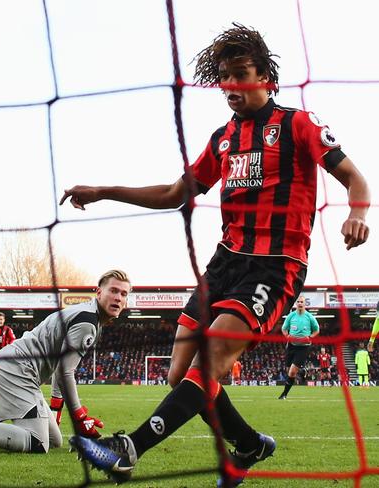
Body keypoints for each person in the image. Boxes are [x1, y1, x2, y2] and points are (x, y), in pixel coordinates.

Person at [60, 23, 370, 486]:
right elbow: (173, 192)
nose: (231, 85)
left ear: (264, 75)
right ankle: (248, 444)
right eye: (224, 76)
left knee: (209, 365)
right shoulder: (222, 139)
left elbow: (355, 178)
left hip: (275, 266)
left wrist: (357, 213)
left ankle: (129, 449)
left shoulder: (297, 124)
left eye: (240, 73)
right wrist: (105, 191)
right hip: (224, 264)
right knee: (180, 375)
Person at [0, 270, 131, 455]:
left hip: (21, 372)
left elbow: (59, 371)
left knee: (54, 441)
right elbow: (66, 372)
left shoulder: (87, 315)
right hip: (15, 370)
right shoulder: (87, 322)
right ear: (99, 292)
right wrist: (79, 416)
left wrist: (60, 413)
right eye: (113, 291)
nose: (118, 298)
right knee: (37, 443)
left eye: (123, 293)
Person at [278, 296, 319, 399]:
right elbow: (284, 329)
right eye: (298, 302)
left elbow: (316, 330)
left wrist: (310, 337)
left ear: (305, 304)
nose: (300, 303)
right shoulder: (291, 316)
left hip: (303, 348)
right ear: (296, 304)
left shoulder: (310, 317)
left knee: (292, 372)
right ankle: (301, 370)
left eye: (302, 302)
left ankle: (284, 394)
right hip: (291, 346)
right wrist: (287, 336)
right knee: (288, 370)